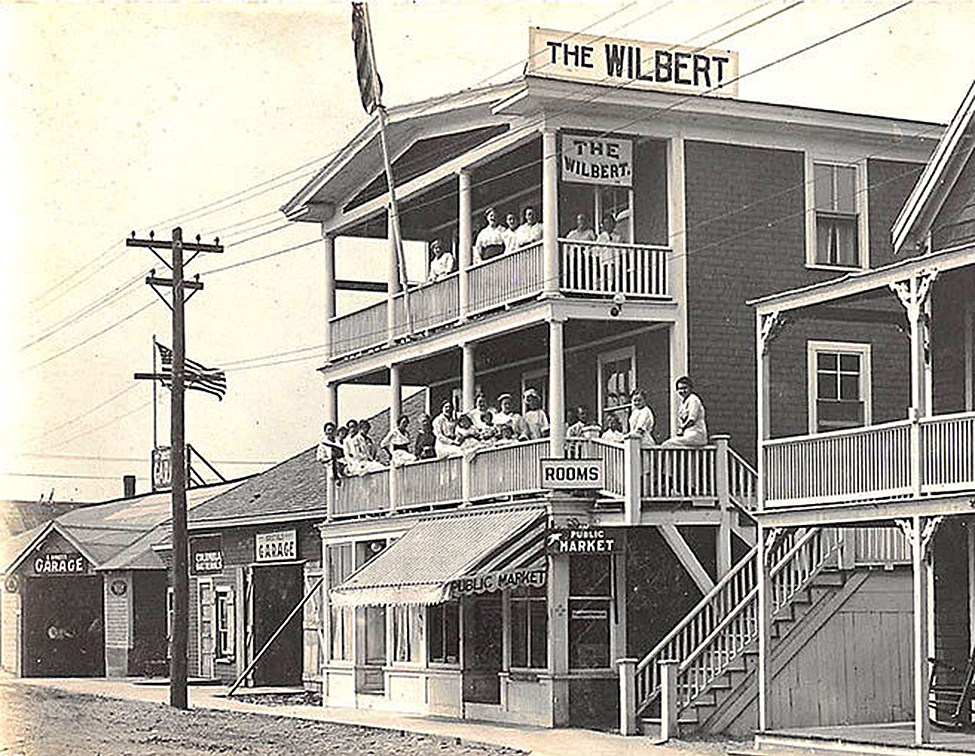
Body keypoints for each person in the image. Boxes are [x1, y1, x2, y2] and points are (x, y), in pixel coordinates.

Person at [661, 376, 709, 447]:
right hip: (688, 435)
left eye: (685, 388)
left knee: (667, 444)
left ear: (690, 388)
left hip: (696, 434)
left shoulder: (693, 399)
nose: (682, 391)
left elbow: (691, 419)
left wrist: (682, 428)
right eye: (680, 389)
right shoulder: (683, 403)